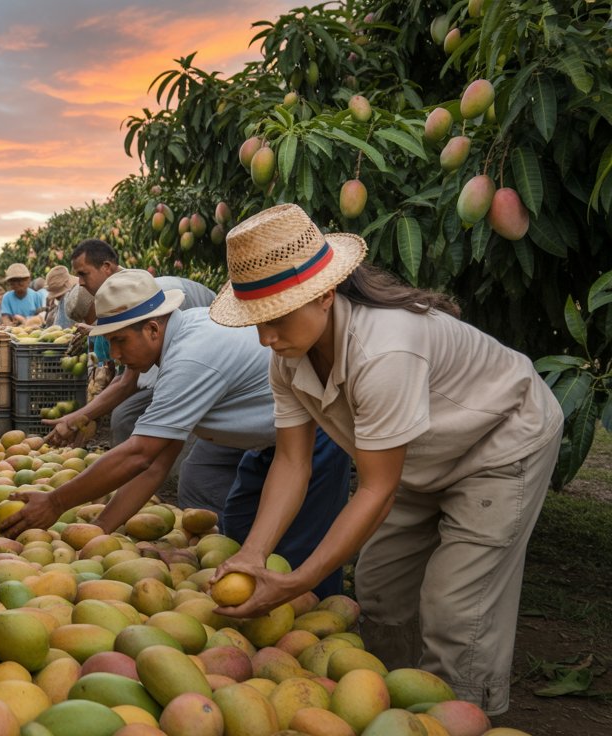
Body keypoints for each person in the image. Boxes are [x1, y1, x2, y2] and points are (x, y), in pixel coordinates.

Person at [207, 204, 561, 715]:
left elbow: (376, 488)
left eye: (276, 319)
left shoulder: (383, 348)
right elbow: (291, 462)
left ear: (324, 294)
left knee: (457, 607)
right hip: (420, 456)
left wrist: (300, 580)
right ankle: (395, 705)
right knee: (379, 586)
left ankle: (460, 711)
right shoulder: (287, 356)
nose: (266, 338)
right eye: (257, 322)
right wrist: (253, 553)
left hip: (500, 443)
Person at [0, 270, 352, 598]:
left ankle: (318, 613)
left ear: (153, 329)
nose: (118, 355)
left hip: (313, 439)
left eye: (120, 341)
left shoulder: (190, 358)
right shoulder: (181, 340)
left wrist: (56, 502)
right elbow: (155, 464)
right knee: (241, 522)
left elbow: (140, 454)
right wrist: (98, 535)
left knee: (303, 549)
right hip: (265, 442)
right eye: (111, 343)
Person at [50, 240, 236, 512]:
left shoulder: (155, 304)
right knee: (128, 420)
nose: (79, 282)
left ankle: (172, 485)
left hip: (216, 379)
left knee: (195, 477)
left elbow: (130, 390)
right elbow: (127, 381)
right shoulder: (129, 306)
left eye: (83, 274)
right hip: (204, 372)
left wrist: (55, 503)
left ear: (106, 267)